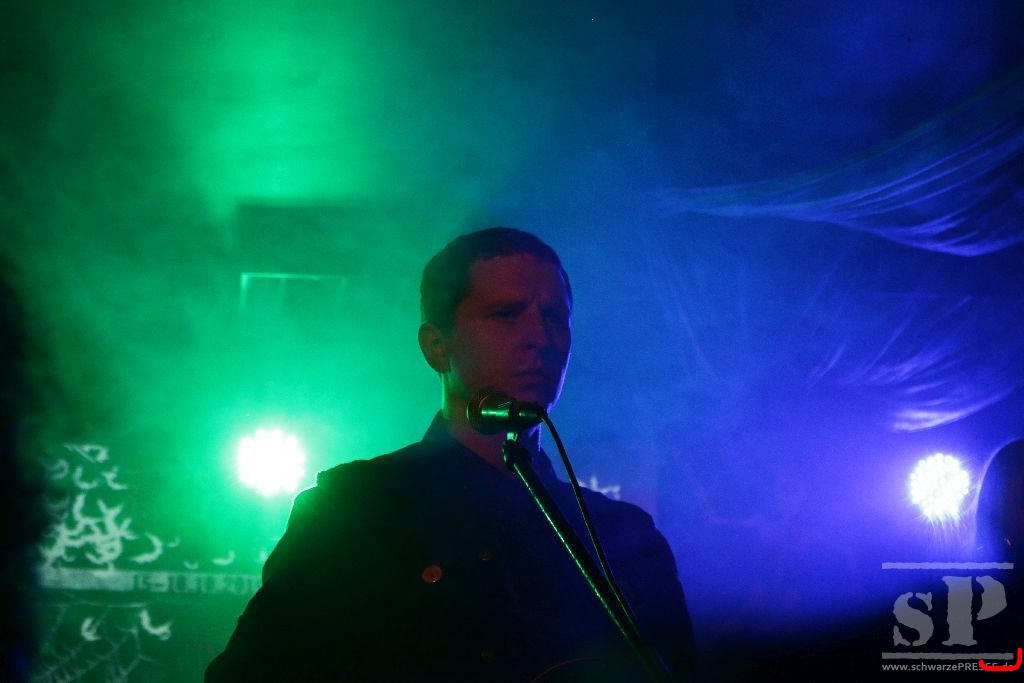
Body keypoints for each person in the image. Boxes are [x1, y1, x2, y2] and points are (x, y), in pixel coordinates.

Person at [206, 227, 695, 681]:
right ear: (437, 347)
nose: (539, 337)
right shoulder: (354, 510)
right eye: (506, 314)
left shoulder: (621, 536)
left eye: (555, 318)